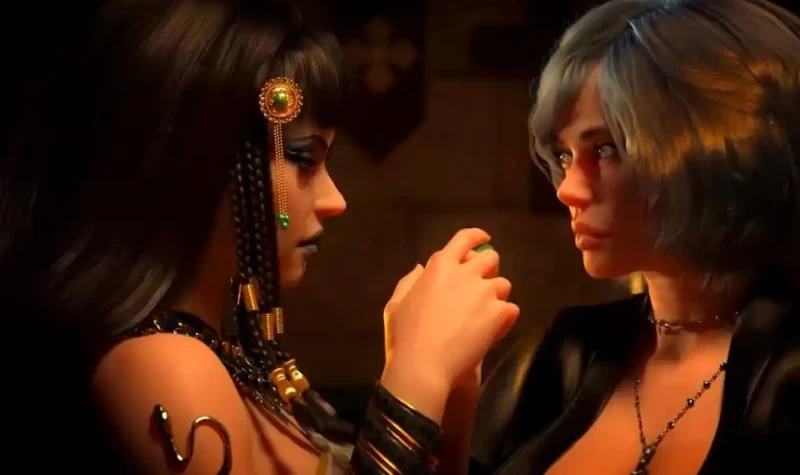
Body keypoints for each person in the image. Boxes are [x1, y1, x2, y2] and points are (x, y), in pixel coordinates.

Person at [0, 1, 518, 473]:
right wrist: (417, 375)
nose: (335, 199)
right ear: (201, 161)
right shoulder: (165, 365)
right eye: (304, 158)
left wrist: (452, 390)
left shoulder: (230, 360)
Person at [467, 0, 800, 474]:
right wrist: (434, 385)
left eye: (606, 149)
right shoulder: (556, 357)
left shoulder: (786, 372)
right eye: (564, 156)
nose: (567, 190)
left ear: (713, 151)